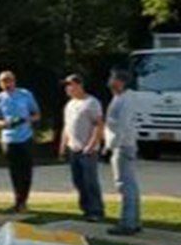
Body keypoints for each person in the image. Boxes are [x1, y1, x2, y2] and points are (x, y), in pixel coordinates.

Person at [0, 71, 40, 214]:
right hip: (9, 139)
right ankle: (18, 201)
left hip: (26, 137)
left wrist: (26, 119)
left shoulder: (25, 94)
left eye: (9, 80)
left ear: (14, 81)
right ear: (0, 84)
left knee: (26, 171)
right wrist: (6, 123)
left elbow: (36, 114)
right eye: (4, 81)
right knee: (15, 172)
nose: (7, 84)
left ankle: (23, 201)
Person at [59, 74, 105, 222]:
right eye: (66, 85)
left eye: (70, 85)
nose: (67, 88)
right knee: (78, 181)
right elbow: (67, 127)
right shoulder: (70, 104)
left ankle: (96, 210)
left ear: (79, 85)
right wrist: (62, 145)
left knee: (90, 181)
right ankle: (86, 209)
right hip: (73, 148)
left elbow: (99, 125)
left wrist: (91, 145)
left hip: (87, 150)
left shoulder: (91, 103)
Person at [105, 68, 142, 235]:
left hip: (123, 145)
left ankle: (127, 223)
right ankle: (134, 220)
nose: (110, 81)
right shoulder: (119, 97)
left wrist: (112, 145)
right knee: (130, 185)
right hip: (123, 144)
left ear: (121, 82)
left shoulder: (126, 99)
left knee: (124, 185)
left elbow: (122, 125)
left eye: (113, 79)